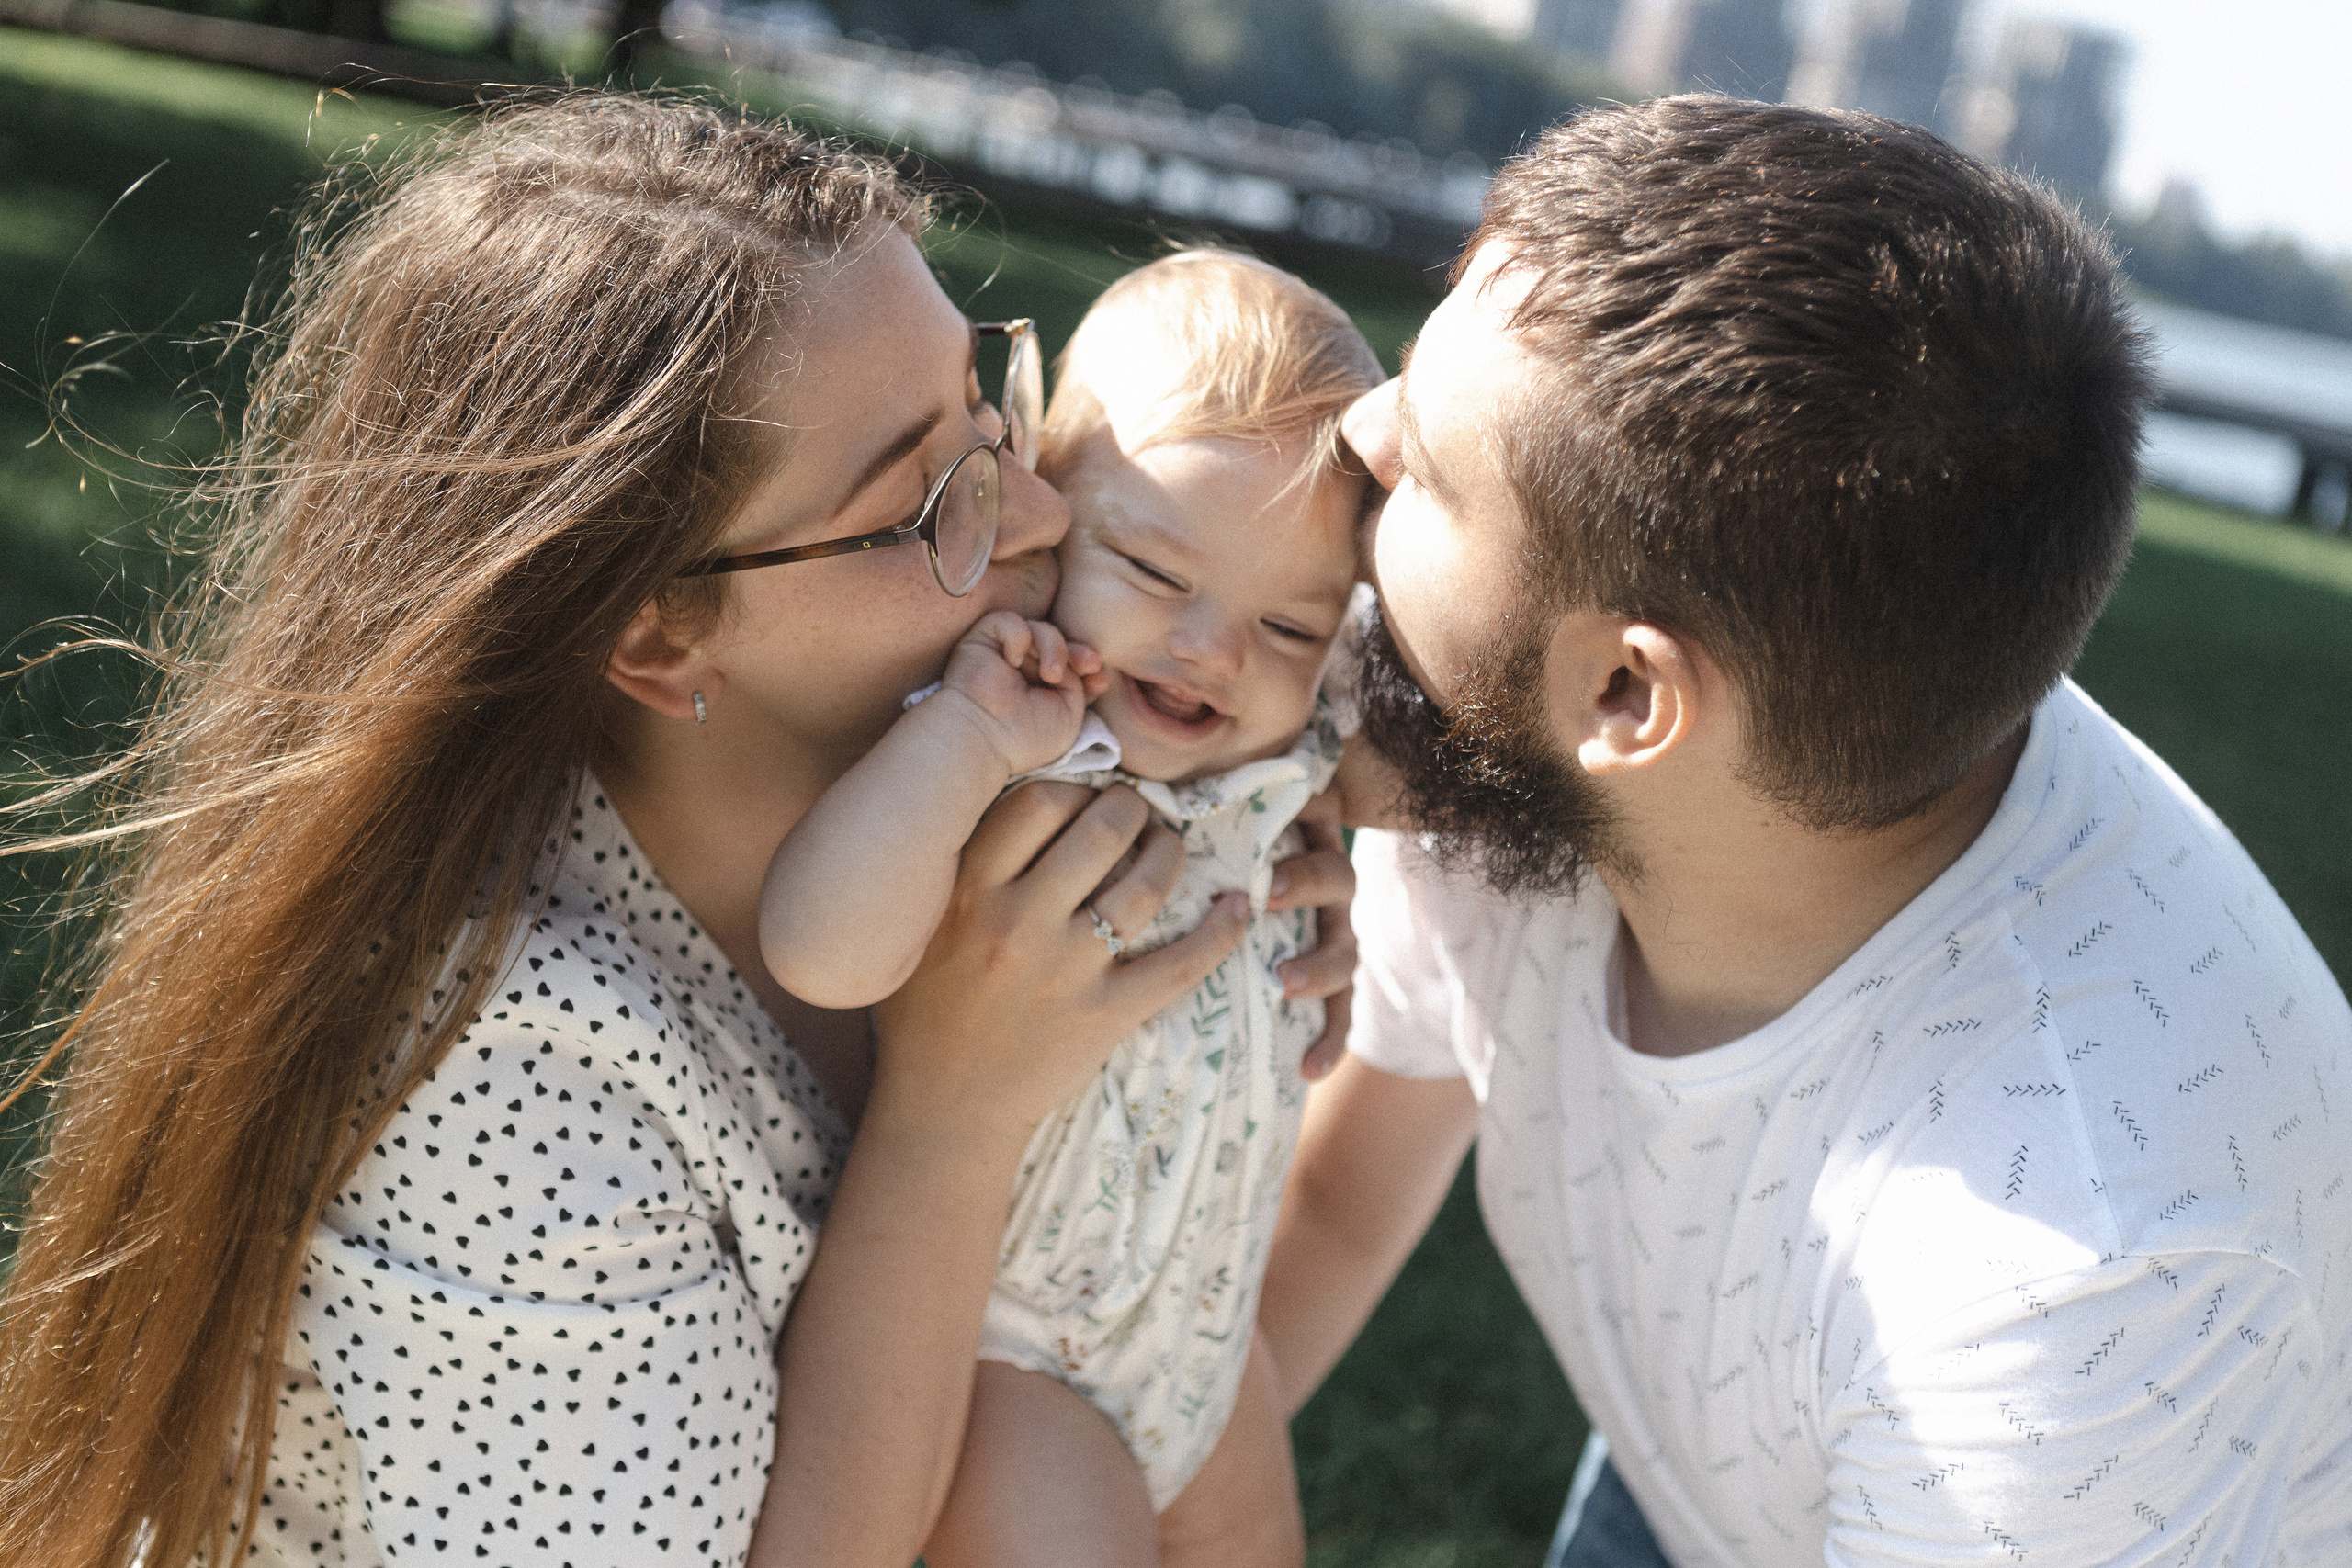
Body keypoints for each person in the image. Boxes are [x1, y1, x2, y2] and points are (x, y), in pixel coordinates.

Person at [0, 99, 1359, 1568]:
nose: (1040, 514)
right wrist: (954, 1116)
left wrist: (1274, 842)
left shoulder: (970, 803)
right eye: (928, 501)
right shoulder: (497, 1094)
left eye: (992, 411)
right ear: (657, 635)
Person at [1261, 96, 2352, 1565]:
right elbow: (1326, 1218)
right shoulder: (1506, 751)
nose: (1358, 429)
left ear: (1629, 695)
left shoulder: (2075, 1271)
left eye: (1432, 474)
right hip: (1734, 1454)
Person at [758, 249, 1381, 1567]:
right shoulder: (1018, 728)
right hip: (1007, 1348)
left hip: (1206, 1348)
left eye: (1285, 629)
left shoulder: (1290, 756)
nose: (1214, 648)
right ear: (1051, 511)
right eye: (1156, 576)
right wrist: (964, 743)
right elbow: (821, 946)